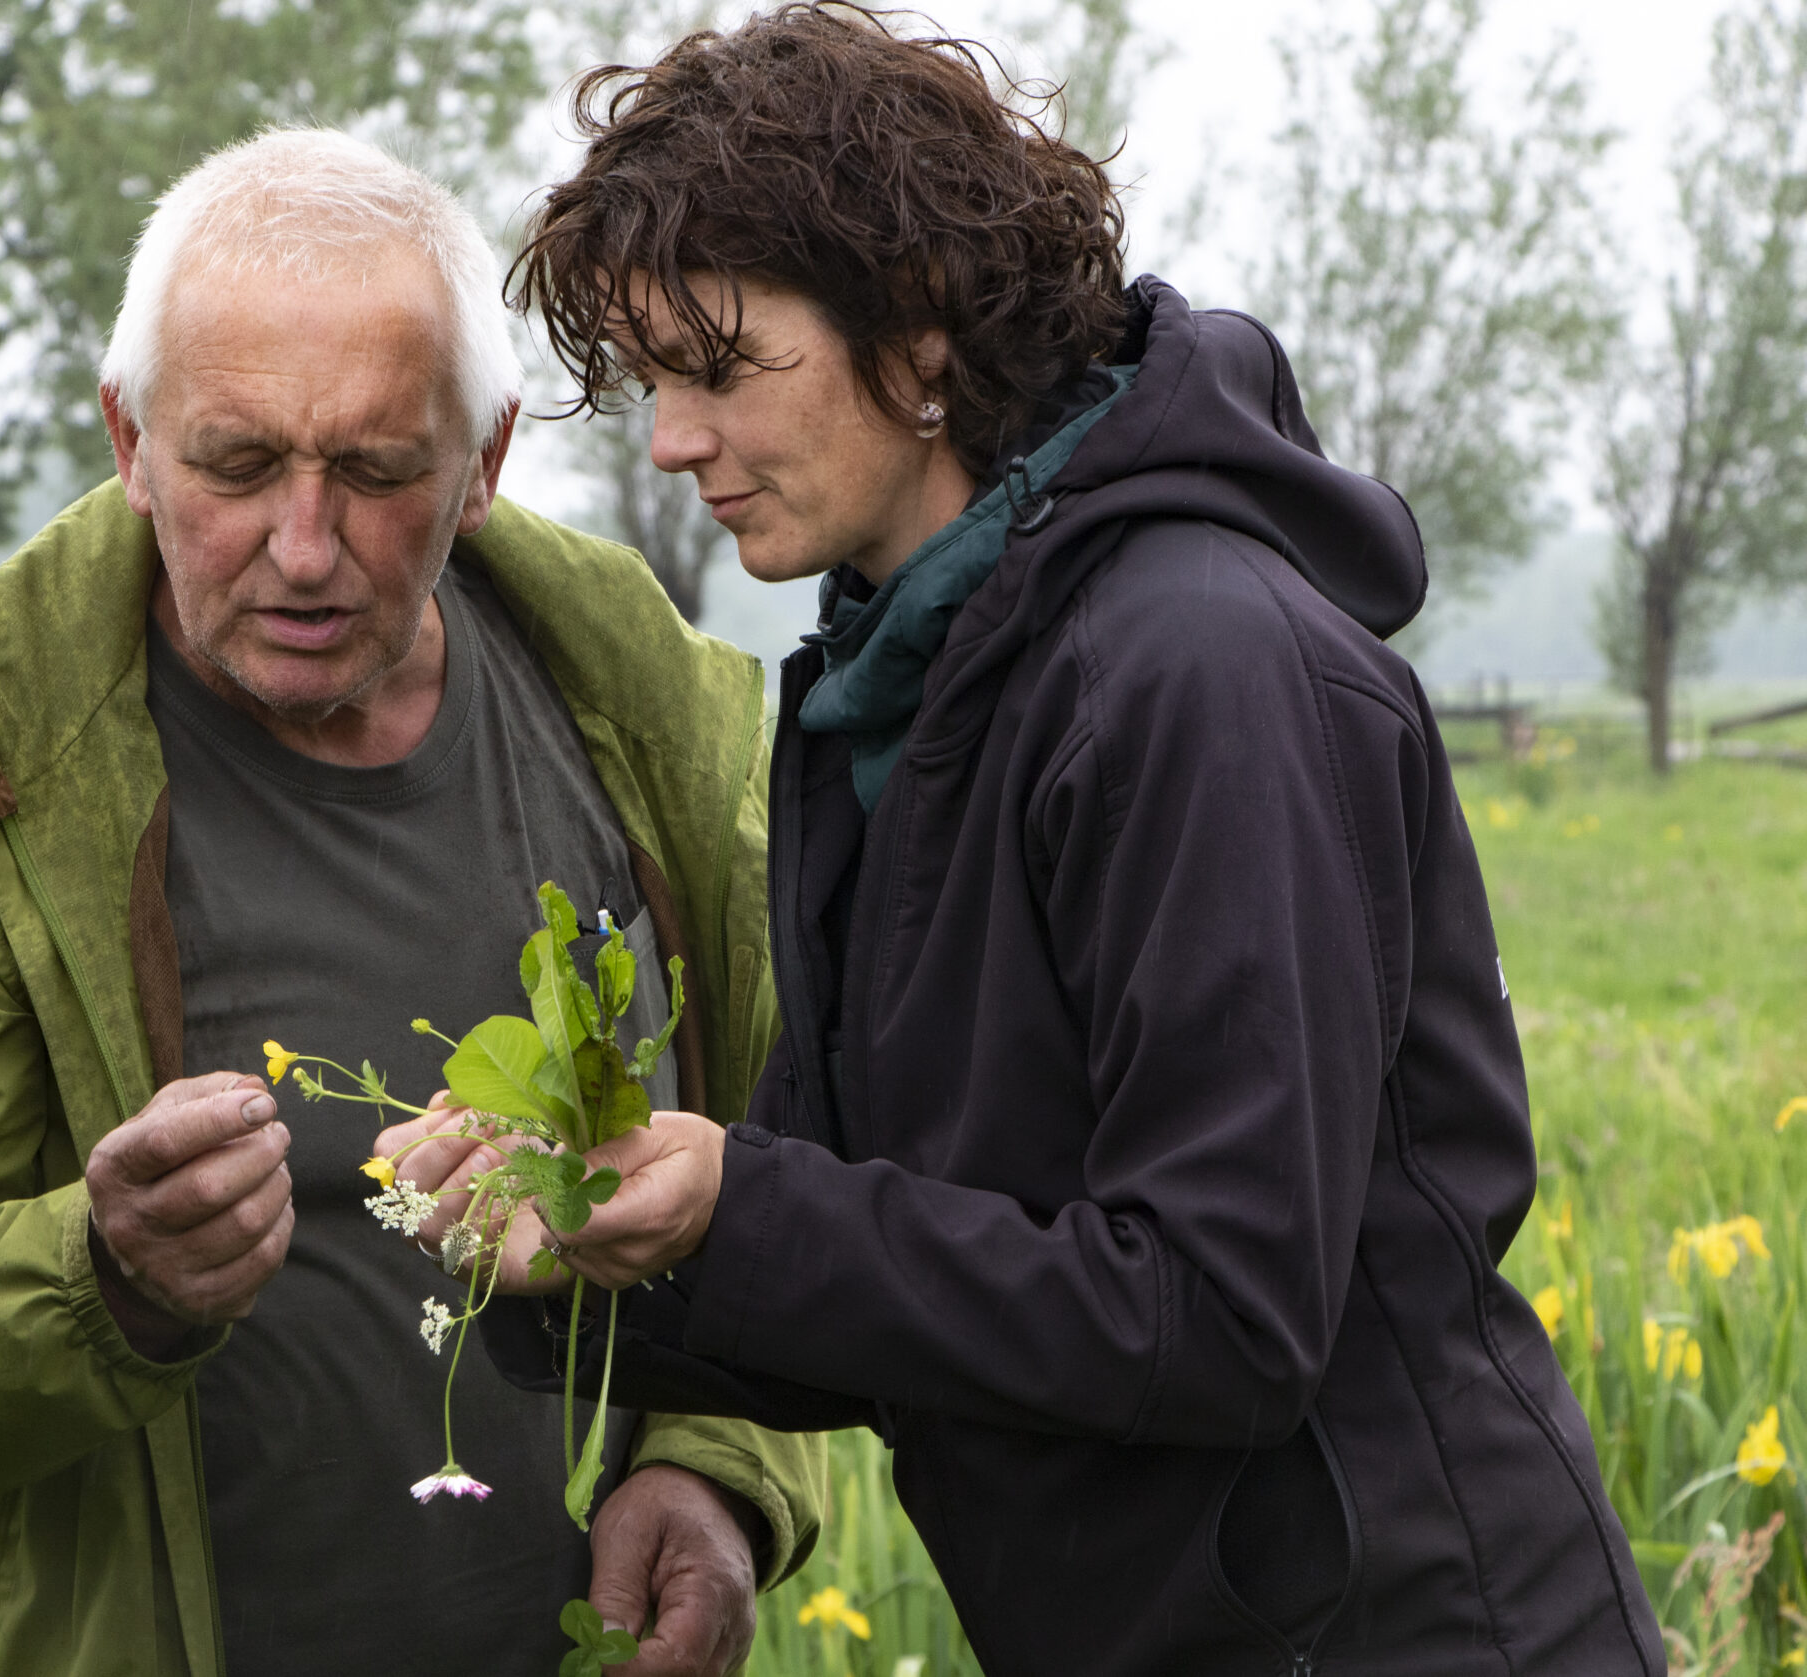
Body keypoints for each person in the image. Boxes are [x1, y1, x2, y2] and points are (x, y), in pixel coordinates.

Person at [414, 7, 1670, 1674]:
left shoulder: (1197, 668)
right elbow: (889, 1275)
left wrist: (748, 1210)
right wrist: (569, 1248)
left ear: (919, 330)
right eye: (650, 382)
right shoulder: (896, 694)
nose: (671, 442)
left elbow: (1219, 1315)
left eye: (719, 369)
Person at [0, 127, 822, 1677]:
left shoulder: (651, 731)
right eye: (234, 464)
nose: (302, 549)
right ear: (128, 439)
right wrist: (104, 1277)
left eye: (378, 472)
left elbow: (778, 1171)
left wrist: (718, 1471)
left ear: (484, 465)